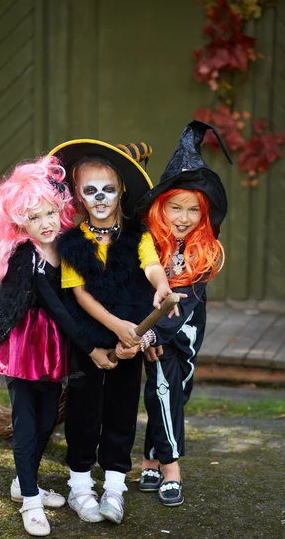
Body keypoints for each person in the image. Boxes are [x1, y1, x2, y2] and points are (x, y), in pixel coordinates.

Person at [48, 139, 175, 525]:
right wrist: (114, 327)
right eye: (90, 191)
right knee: (84, 413)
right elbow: (80, 295)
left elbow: (152, 265)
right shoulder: (72, 242)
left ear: (121, 190)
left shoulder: (139, 235)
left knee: (121, 411)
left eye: (107, 189)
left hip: (130, 338)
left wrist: (161, 286)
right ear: (79, 196)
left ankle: (115, 487)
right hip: (89, 338)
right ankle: (81, 486)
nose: (100, 198)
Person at [116, 120, 232, 507]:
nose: (183, 218)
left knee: (178, 393)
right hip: (155, 331)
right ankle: (170, 469)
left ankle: (149, 457)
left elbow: (189, 300)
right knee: (162, 390)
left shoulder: (204, 254)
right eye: (175, 208)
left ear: (205, 216)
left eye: (193, 211)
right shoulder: (148, 245)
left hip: (185, 330)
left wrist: (158, 333)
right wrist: (147, 334)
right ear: (160, 209)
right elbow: (137, 288)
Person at [0, 155, 78, 537]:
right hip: (23, 342)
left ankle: (24, 482)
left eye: (50, 213)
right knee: (26, 420)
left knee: (50, 415)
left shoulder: (66, 247)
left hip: (54, 344)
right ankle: (31, 502)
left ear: (60, 210)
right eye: (34, 218)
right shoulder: (24, 255)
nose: (45, 223)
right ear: (20, 223)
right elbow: (44, 300)